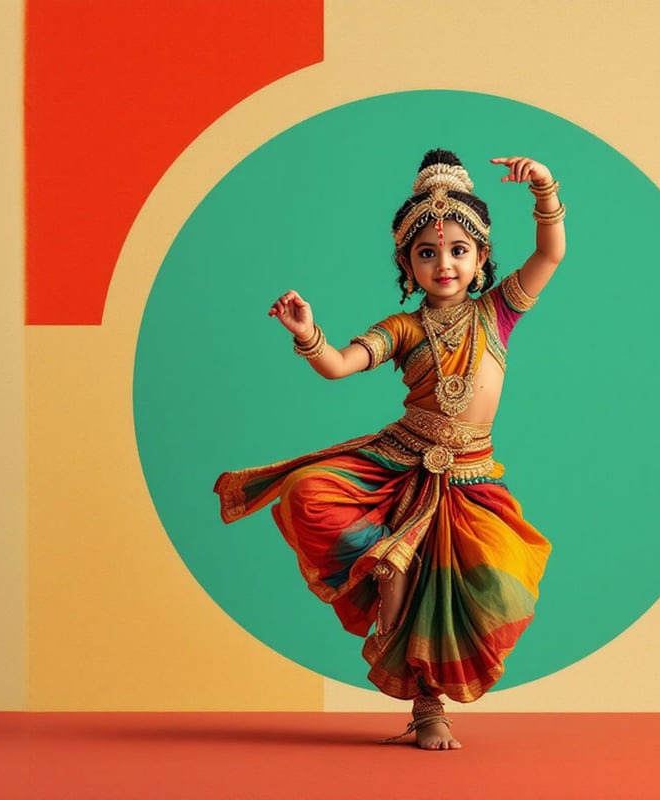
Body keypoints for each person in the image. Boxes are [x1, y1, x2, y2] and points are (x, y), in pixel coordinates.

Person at [214, 148, 566, 750]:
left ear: (481, 257)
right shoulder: (403, 328)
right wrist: (308, 334)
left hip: (469, 473)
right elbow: (339, 365)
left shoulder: (498, 312)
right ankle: (425, 697)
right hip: (401, 459)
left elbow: (551, 251)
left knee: (496, 583)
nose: (444, 264)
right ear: (408, 263)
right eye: (427, 252)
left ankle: (427, 686)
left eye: (458, 250)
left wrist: (544, 190)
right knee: (308, 493)